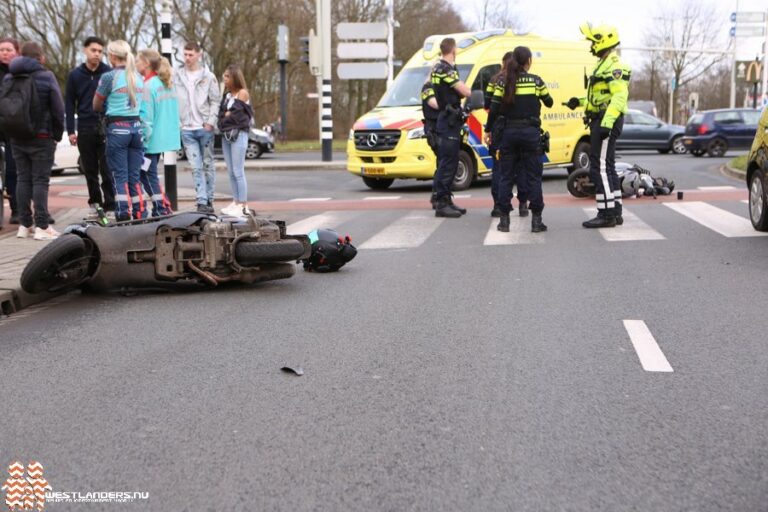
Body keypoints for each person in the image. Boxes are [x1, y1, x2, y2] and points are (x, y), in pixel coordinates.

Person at [566, 23, 631, 228]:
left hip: (605, 121)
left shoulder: (613, 66)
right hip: (602, 118)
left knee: (599, 168)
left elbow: (619, 97)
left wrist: (606, 123)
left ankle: (606, 214)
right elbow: (600, 99)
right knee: (608, 167)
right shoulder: (603, 64)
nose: (591, 46)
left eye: (593, 42)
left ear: (603, 41)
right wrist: (579, 102)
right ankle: (616, 211)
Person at [485, 46, 553, 233]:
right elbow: (549, 101)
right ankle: (536, 221)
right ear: (528, 61)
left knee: (506, 177)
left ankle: (504, 221)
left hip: (508, 134)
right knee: (533, 177)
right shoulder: (536, 81)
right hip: (530, 134)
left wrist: (488, 130)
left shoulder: (503, 82)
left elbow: (494, 108)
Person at [4, 42, 64, 240]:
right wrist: (57, 134)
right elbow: (57, 108)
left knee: (22, 179)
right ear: (41, 58)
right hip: (42, 136)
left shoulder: (9, 77)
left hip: (17, 136)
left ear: (21, 55)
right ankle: (42, 226)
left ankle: (24, 224)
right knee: (40, 180)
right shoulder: (46, 76)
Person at [93, 40, 145, 221]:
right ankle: (140, 211)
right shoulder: (138, 77)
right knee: (134, 176)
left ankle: (123, 212)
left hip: (117, 130)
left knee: (119, 175)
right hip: (137, 130)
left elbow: (96, 104)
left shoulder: (109, 77)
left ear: (112, 56)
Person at [65, 36, 114, 215]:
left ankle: (111, 203)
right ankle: (95, 202)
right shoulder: (75, 75)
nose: (97, 54)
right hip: (84, 127)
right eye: (93, 50)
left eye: (100, 51)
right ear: (85, 50)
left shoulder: (108, 73)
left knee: (107, 168)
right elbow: (69, 104)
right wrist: (70, 130)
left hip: (105, 126)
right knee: (90, 169)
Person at [173, 42, 221, 214]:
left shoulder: (208, 76)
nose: (187, 58)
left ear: (199, 55)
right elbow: (173, 98)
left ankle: (209, 199)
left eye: (190, 54)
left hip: (204, 128)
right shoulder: (177, 76)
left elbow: (216, 100)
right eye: (185, 54)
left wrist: (211, 121)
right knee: (195, 166)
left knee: (208, 164)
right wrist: (179, 123)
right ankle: (201, 200)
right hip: (187, 128)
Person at [430, 37, 472, 218]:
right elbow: (464, 91)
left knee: (450, 162)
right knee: (448, 163)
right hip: (449, 121)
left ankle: (446, 200)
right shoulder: (445, 69)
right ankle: (441, 202)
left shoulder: (436, 68)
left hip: (448, 120)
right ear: (453, 50)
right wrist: (470, 92)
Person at [137, 48, 179, 217]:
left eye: (138, 60)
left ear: (146, 63)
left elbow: (146, 118)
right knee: (149, 174)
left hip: (151, 141)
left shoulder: (148, 86)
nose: (136, 63)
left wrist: (143, 142)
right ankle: (161, 207)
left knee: (146, 175)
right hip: (164, 139)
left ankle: (161, 208)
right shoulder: (166, 83)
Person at [217, 64, 253, 217]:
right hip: (226, 135)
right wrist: (226, 116)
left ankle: (243, 204)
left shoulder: (242, 93)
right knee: (231, 171)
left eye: (227, 76)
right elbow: (221, 116)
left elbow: (238, 117)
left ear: (234, 78)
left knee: (238, 171)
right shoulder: (227, 96)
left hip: (239, 135)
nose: (224, 79)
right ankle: (236, 200)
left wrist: (227, 116)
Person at [485, 51, 515, 218]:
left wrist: (488, 128)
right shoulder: (516, 80)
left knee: (497, 167)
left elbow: (487, 103)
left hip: (497, 126)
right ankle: (513, 202)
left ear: (503, 62)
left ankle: (497, 204)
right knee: (513, 167)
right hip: (513, 127)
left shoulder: (494, 80)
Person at [0, 37, 19, 225]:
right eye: (1, 50)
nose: (4, 53)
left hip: (13, 128)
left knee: (14, 170)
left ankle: (16, 209)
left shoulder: (19, 73)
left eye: (8, 49)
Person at [420, 77, 439, 208]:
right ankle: (437, 196)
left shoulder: (439, 88)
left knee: (443, 162)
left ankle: (439, 196)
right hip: (434, 129)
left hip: (441, 128)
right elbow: (435, 104)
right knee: (443, 162)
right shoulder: (427, 87)